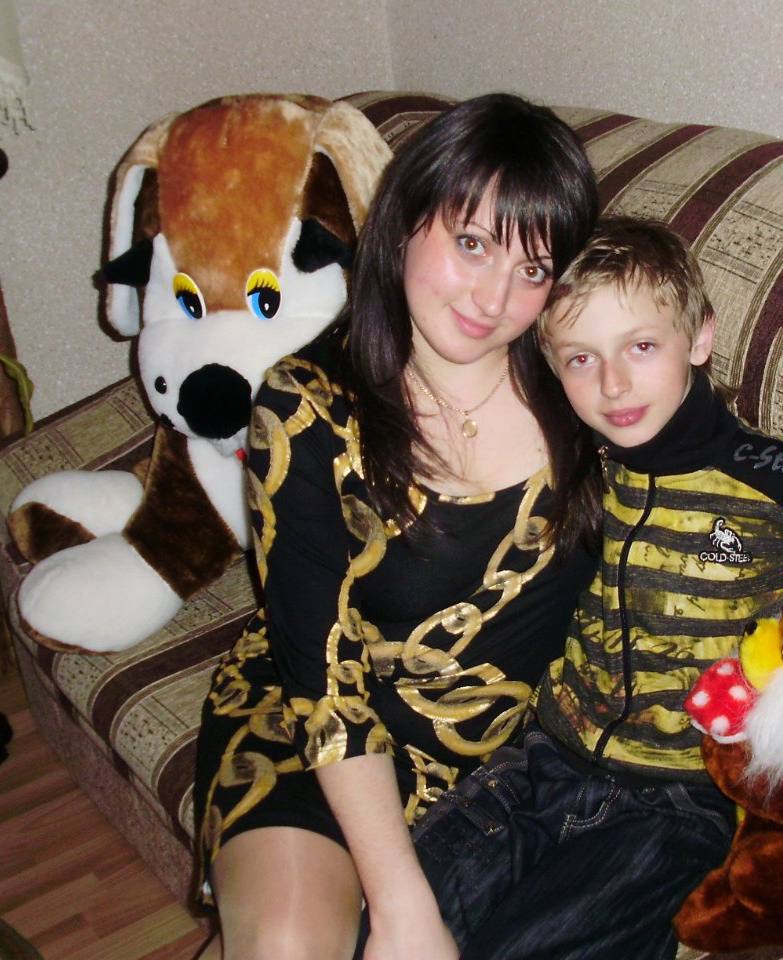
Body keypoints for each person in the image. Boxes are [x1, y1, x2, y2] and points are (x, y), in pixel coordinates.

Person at [192, 93, 602, 960]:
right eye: (472, 243)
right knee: (288, 944)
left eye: (533, 268)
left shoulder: (586, 387)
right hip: (316, 731)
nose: (494, 297)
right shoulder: (307, 405)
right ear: (405, 221)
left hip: (502, 762)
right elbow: (324, 675)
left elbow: (720, 487)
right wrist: (401, 901)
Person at [413, 217, 783, 960]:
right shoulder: (561, 469)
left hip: (678, 801)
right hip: (538, 763)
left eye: (641, 347)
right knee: (389, 925)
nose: (612, 385)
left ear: (699, 337)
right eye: (581, 358)